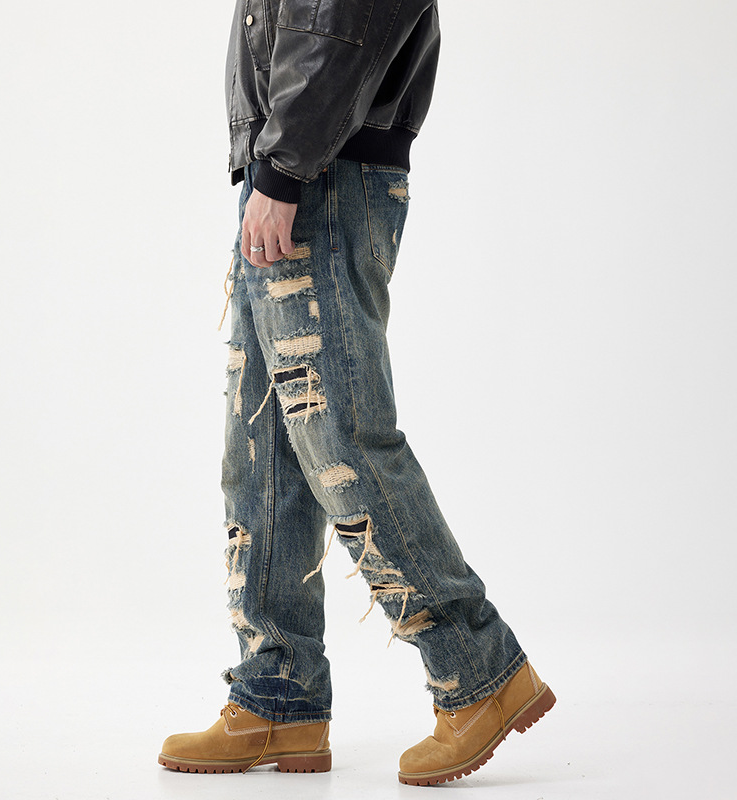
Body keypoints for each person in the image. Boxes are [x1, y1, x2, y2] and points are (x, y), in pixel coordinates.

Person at [158, 0, 555, 785]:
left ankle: (480, 669)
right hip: (295, 164)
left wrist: (286, 165)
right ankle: (279, 692)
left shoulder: (303, 164)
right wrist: (274, 164)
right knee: (265, 446)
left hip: (319, 171)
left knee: (341, 438)